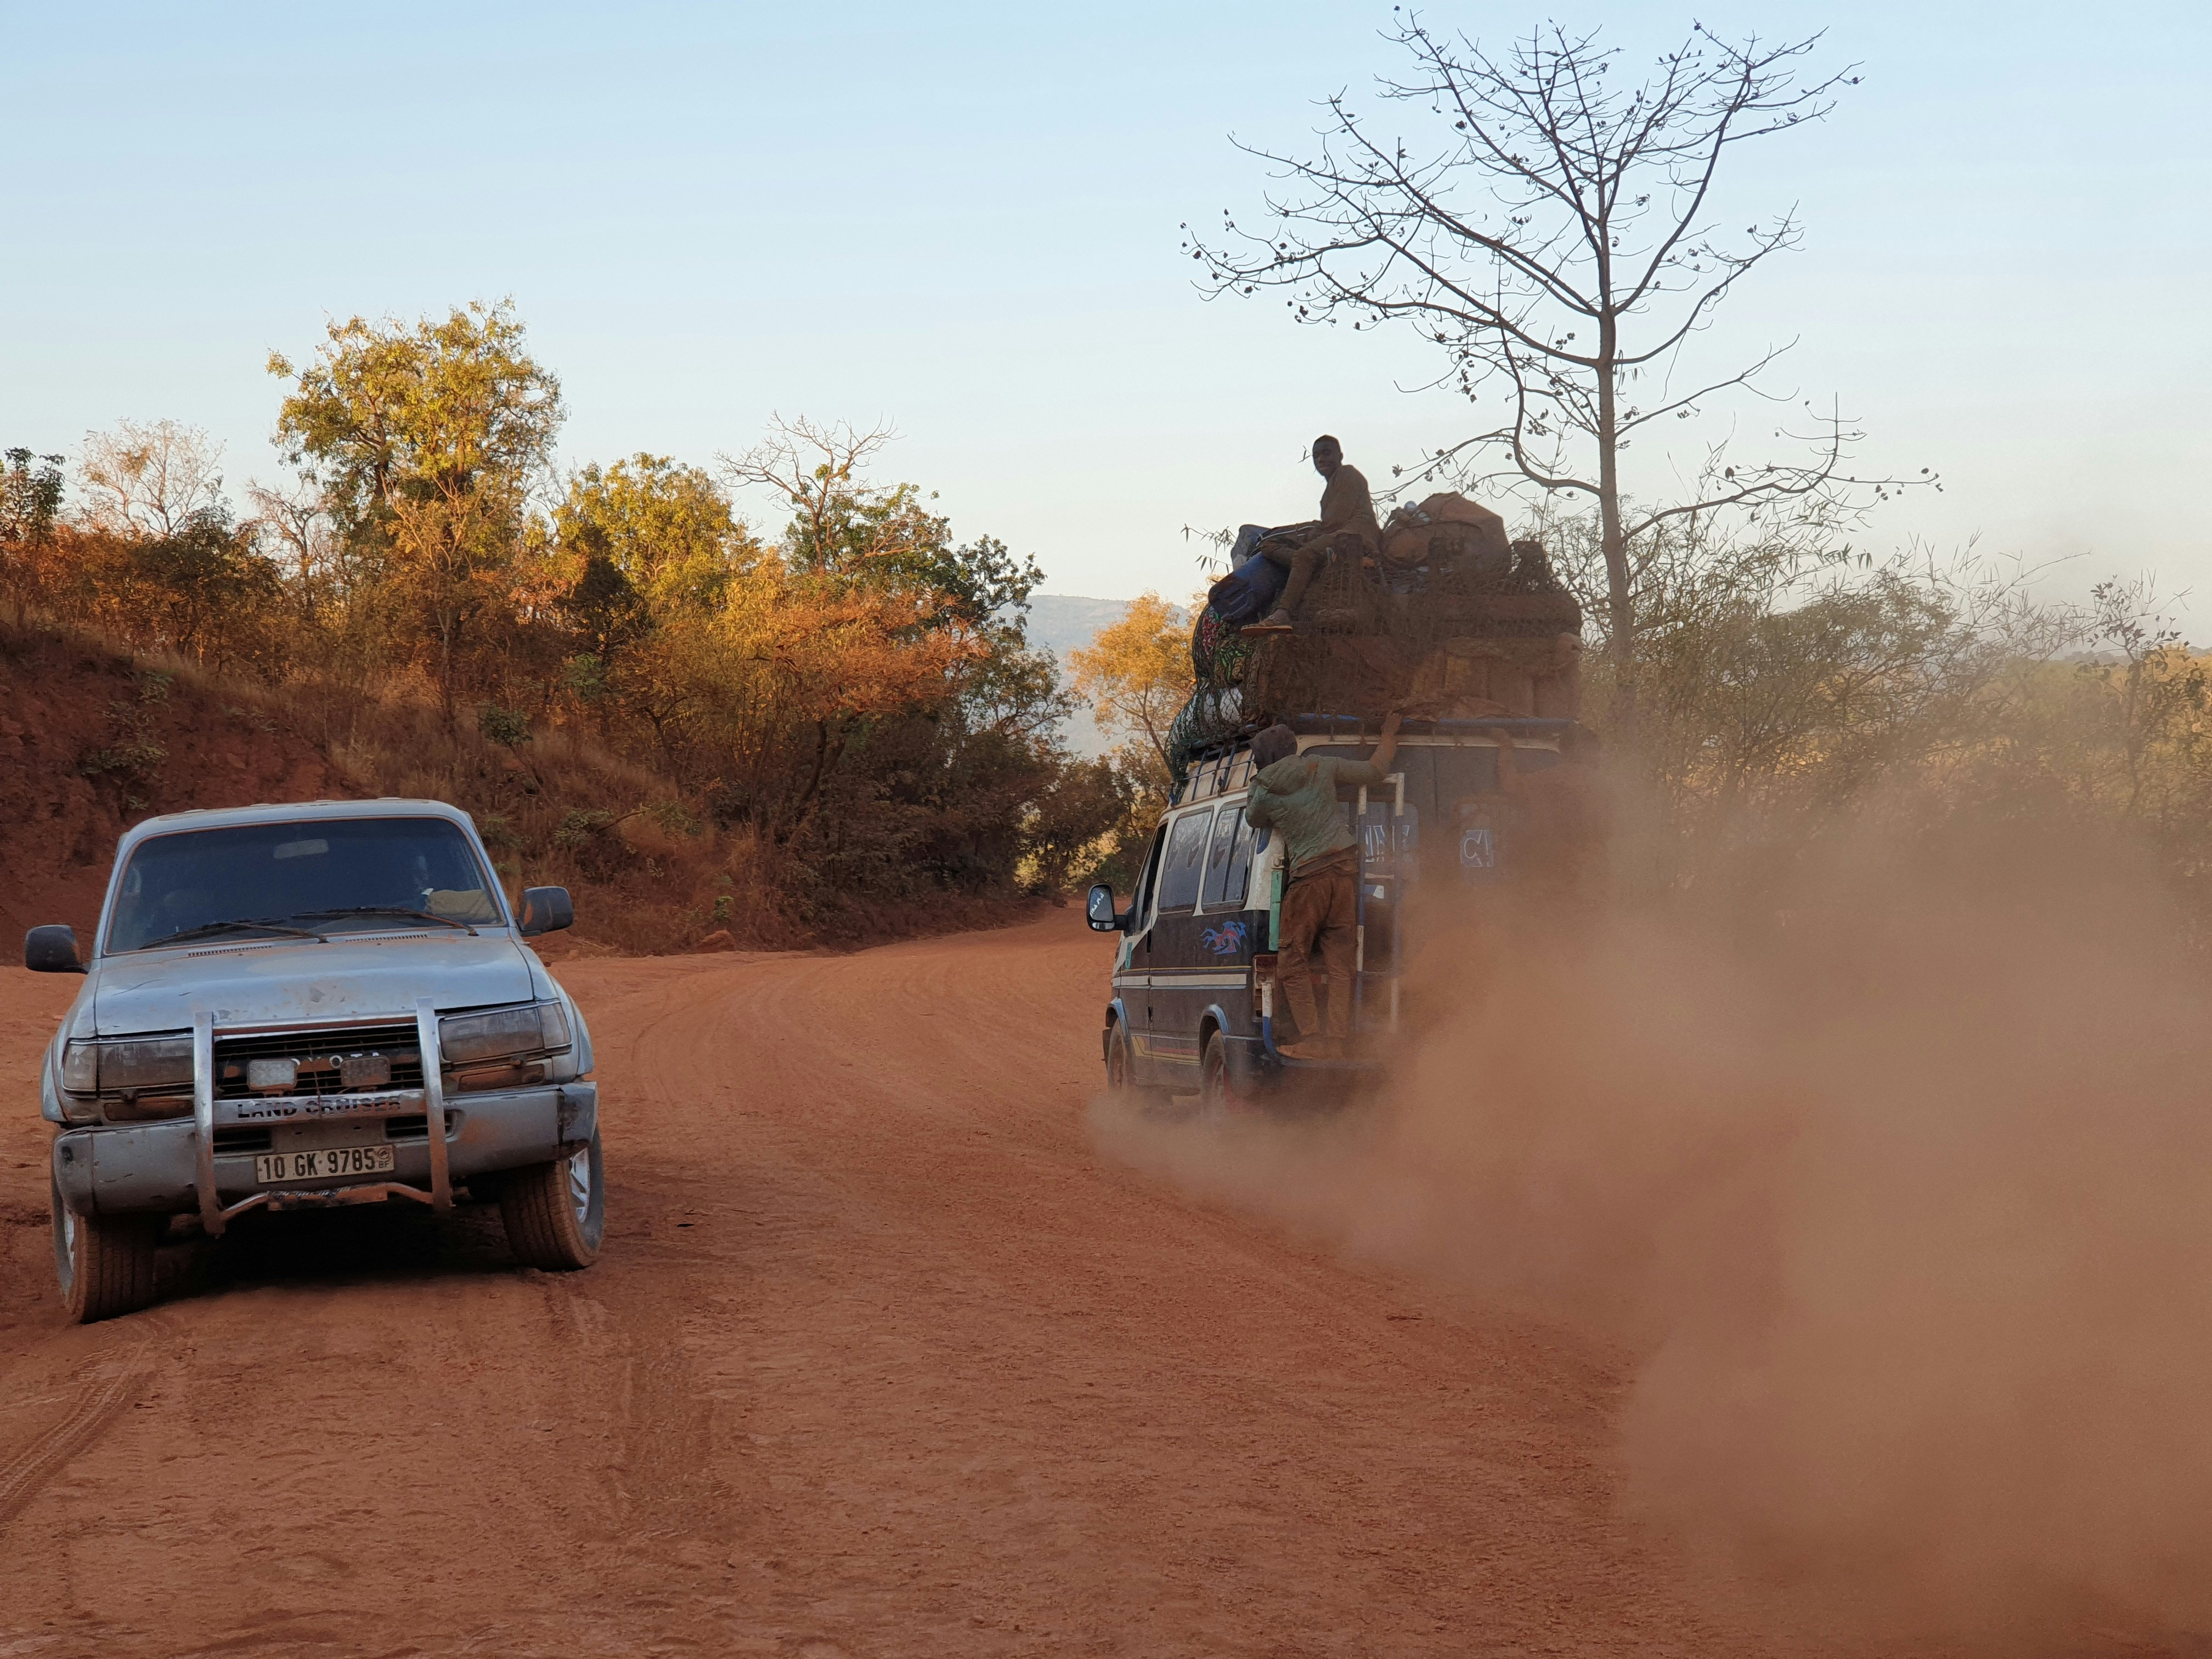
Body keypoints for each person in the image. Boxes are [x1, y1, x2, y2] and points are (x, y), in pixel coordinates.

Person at [1244, 712, 1401, 1058]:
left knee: (1291, 961)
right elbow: (1376, 772)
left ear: (1263, 759)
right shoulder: (1322, 765)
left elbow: (1252, 817)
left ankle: (1312, 1037)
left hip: (1309, 877)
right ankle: (1338, 1041)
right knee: (1341, 962)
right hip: (1346, 872)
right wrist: (1389, 733)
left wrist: (1259, 784)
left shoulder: (1266, 790)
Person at [1255, 435, 1384, 630]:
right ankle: (1309, 564)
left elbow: (1335, 520)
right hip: (1339, 535)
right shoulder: (1332, 485)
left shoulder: (1347, 474)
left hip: (1354, 536)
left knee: (1305, 554)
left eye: (1326, 453)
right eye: (1316, 456)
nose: (1321, 459)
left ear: (1340, 456)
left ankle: (1283, 613)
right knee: (1269, 546)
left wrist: (1307, 538)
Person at [1490, 725, 1610, 904]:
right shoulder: (1602, 785)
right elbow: (1610, 830)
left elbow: (1510, 785)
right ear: (1584, 751)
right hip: (1588, 876)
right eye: (1597, 751)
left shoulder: (1545, 780)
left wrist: (1506, 747)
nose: (1600, 756)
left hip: (1548, 870)